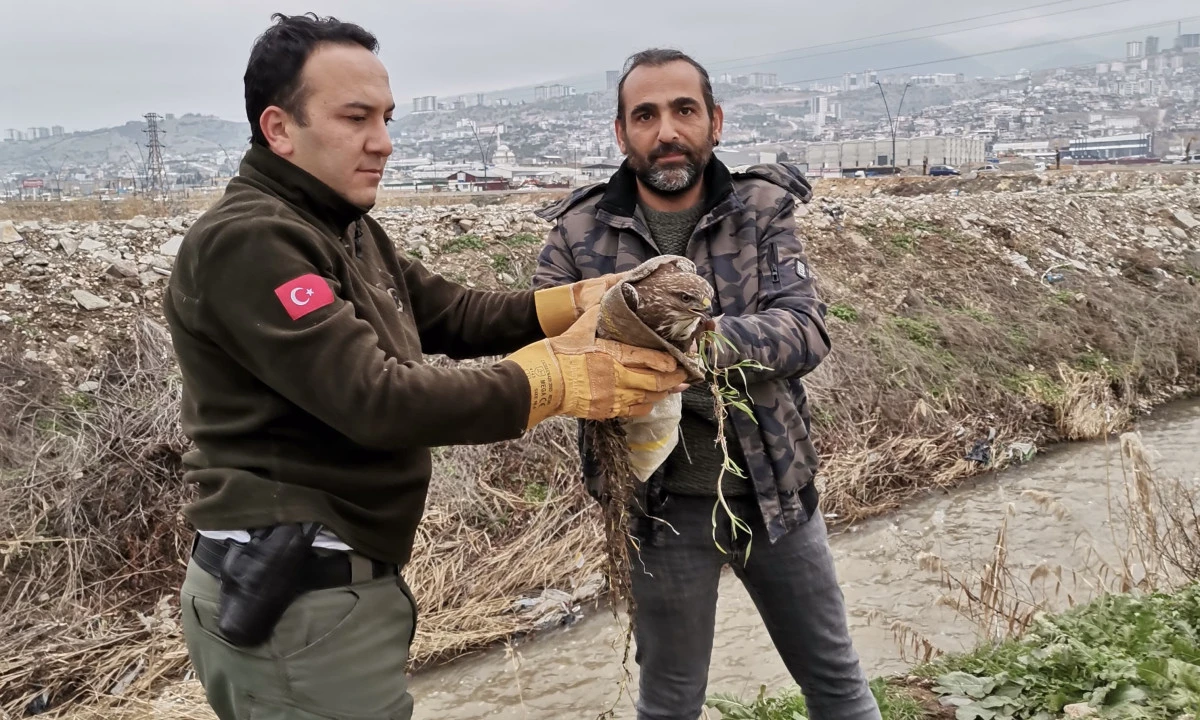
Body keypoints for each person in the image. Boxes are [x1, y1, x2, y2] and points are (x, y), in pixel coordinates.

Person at [162, 15, 687, 720]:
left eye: (385, 117)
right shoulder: (251, 239)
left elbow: (454, 314)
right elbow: (379, 401)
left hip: (331, 592)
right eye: (355, 118)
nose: (382, 141)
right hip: (295, 597)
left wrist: (582, 301)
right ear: (280, 128)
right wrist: (557, 378)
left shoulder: (340, 226)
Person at [532, 48, 882, 720]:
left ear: (714, 122)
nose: (667, 130)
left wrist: (682, 341)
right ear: (621, 132)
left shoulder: (760, 210)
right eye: (646, 115)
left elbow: (804, 331)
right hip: (658, 511)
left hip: (775, 495)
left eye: (683, 110)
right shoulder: (576, 232)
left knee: (839, 690)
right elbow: (556, 359)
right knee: (669, 703)